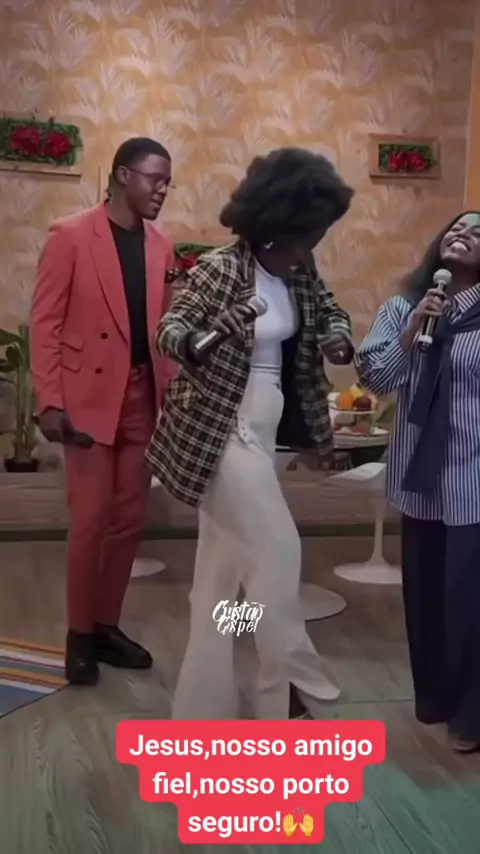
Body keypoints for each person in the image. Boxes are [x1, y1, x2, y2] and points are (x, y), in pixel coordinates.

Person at [146, 147, 354, 719]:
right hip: (220, 430)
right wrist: (205, 336)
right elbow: (170, 330)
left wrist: (338, 337)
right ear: (273, 227)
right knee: (279, 553)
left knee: (221, 582)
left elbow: (331, 311)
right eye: (302, 240)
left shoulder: (301, 271)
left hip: (267, 432)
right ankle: (299, 678)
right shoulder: (223, 268)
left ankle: (204, 708)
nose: (307, 253)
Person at [30, 137, 175, 686]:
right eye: (154, 178)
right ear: (122, 176)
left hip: (142, 397)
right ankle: (78, 636)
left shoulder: (162, 246)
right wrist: (49, 400)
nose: (162, 189)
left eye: (167, 181)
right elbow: (45, 323)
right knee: (90, 522)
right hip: (86, 400)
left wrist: (172, 396)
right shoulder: (70, 235)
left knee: (128, 522)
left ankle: (106, 626)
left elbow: (163, 332)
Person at [356, 211, 480, 753]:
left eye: (478, 231)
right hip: (419, 480)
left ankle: (472, 716)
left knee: (469, 602)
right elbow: (375, 378)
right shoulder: (403, 308)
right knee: (426, 600)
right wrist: (411, 333)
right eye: (456, 227)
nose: (463, 234)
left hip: (473, 477)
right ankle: (435, 701)